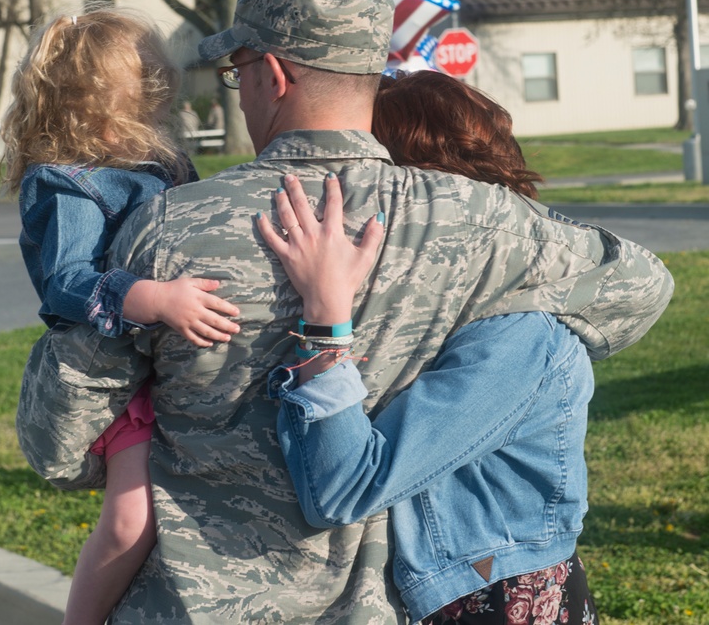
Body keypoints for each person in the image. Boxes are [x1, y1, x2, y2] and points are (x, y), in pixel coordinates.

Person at [16, 0, 672, 623]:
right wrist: (459, 343)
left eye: (236, 72)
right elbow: (640, 286)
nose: (238, 92)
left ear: (273, 75)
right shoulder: (477, 223)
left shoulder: (167, 227)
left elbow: (58, 443)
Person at [259, 71, 604, 624]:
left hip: (487, 600)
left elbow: (345, 488)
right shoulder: (440, 308)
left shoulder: (514, 335)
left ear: (428, 196)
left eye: (373, 175)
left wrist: (325, 320)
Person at [0, 8, 240, 625]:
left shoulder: (161, 166)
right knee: (133, 516)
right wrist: (157, 300)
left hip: (166, 366)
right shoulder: (67, 182)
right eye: (144, 95)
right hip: (112, 375)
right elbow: (67, 282)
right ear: (101, 102)